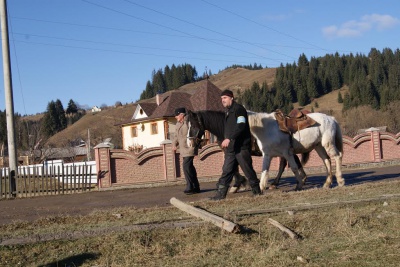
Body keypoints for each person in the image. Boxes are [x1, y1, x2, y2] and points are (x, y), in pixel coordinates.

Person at [211, 89, 262, 200]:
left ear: (231, 98)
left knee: (247, 170)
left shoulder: (239, 109)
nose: (222, 100)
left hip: (241, 147)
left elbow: (241, 125)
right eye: (221, 99)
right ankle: (220, 195)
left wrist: (229, 138)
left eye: (225, 98)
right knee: (227, 170)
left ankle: (257, 191)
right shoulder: (227, 112)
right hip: (231, 148)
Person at [172, 107, 201, 195]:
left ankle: (190, 186)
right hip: (183, 148)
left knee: (186, 166)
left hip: (190, 146)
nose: (176, 117)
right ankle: (196, 186)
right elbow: (176, 136)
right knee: (190, 167)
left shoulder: (189, 121)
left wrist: (194, 142)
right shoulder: (178, 124)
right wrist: (174, 144)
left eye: (177, 115)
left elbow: (195, 131)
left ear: (182, 115)